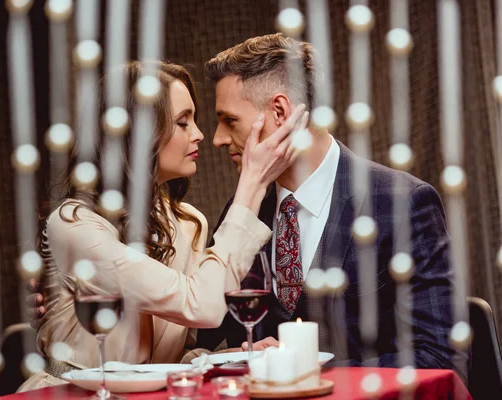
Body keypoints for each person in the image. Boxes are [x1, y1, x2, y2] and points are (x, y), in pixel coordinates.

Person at [18, 60, 308, 391]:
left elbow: (167, 355)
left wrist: (235, 356)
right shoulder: (73, 224)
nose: (200, 134)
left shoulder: (189, 223)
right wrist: (252, 185)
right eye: (183, 122)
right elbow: (204, 306)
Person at [193, 33, 466, 374]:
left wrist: (309, 369)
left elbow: (439, 356)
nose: (217, 138)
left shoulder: (403, 204)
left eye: (229, 120)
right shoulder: (243, 210)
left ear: (280, 111)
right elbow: (198, 334)